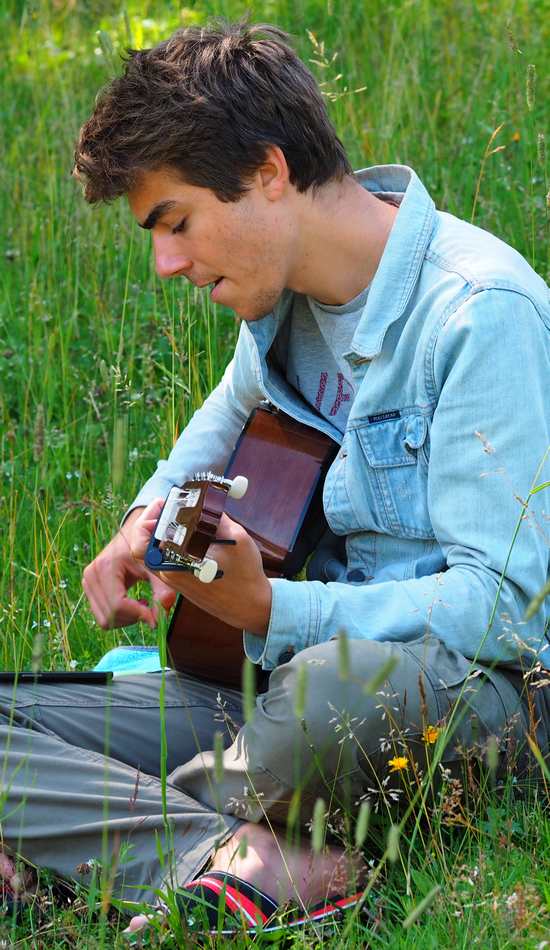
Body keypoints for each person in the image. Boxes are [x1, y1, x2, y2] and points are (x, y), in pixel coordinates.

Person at [1, 19, 549, 936]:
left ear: (267, 171)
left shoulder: (478, 313)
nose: (167, 263)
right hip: (270, 679)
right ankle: (237, 858)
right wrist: (145, 516)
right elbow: (225, 416)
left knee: (324, 704)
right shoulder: (289, 302)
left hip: (450, 694)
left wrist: (276, 614)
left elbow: (508, 606)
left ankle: (71, 831)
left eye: (176, 223)